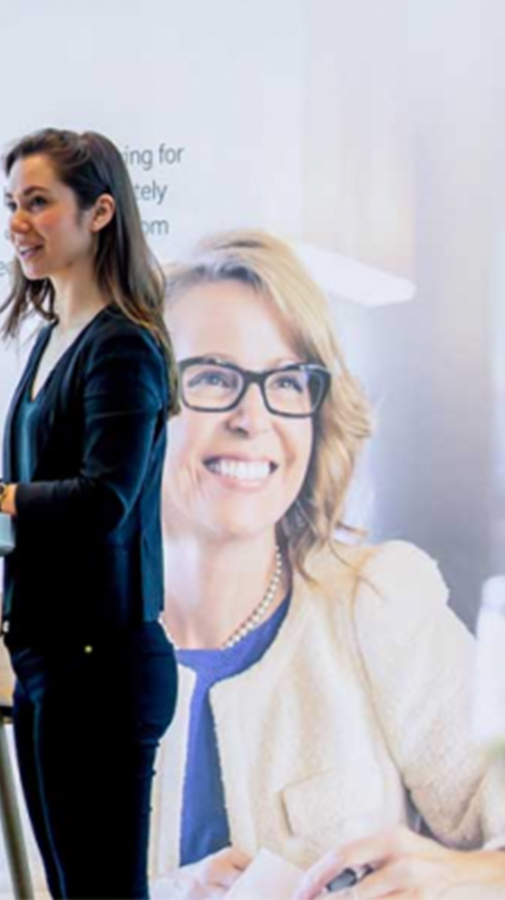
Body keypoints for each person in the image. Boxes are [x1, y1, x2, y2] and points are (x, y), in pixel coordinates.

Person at [144, 231, 505, 899]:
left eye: (285, 381)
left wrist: (457, 876)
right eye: (214, 378)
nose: (253, 417)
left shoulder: (378, 604)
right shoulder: (62, 644)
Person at [0, 128, 180, 898]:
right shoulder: (54, 339)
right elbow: (49, 481)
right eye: (12, 204)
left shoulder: (124, 345)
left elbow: (100, 500)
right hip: (46, 657)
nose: (18, 222)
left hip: (103, 665)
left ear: (100, 213)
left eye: (39, 203)